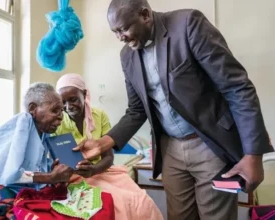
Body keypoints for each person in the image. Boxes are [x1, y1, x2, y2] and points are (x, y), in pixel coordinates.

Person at [73, 0, 274, 220]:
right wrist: (103, 143)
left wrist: (253, 154)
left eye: (124, 29)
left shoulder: (188, 25)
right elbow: (136, 110)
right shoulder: (127, 56)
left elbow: (237, 87)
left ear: (145, 15)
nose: (120, 37)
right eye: (115, 32)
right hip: (170, 150)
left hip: (209, 144)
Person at [54, 73, 164, 220]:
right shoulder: (58, 122)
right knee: (114, 202)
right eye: (63, 103)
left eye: (73, 99)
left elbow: (108, 158)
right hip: (73, 177)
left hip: (100, 170)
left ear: (84, 94)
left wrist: (93, 169)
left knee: (141, 200)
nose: (68, 106)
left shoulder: (100, 116)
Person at [0, 82, 73, 191]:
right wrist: (50, 177)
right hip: (2, 186)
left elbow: (36, 168)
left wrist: (53, 172)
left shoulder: (45, 132)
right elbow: (12, 175)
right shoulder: (24, 121)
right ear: (32, 109)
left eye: (62, 111)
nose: (61, 117)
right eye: (54, 110)